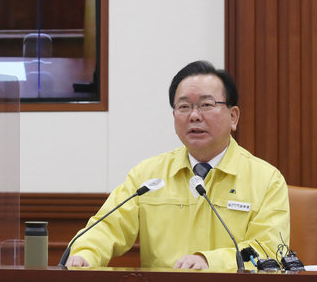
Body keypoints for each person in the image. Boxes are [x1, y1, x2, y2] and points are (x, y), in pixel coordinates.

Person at [66, 60, 289, 270]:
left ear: (233, 117)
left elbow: (268, 251)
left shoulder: (266, 180)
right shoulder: (149, 175)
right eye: (184, 107)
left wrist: (208, 261)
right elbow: (107, 227)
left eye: (206, 105)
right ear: (174, 115)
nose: (194, 115)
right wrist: (85, 254)